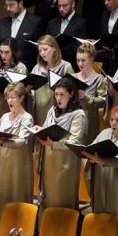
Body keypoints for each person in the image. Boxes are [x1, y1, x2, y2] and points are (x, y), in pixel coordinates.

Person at [35, 78, 87, 210]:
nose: (58, 98)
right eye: (56, 94)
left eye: (62, 94)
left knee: (62, 196)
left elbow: (74, 141)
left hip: (66, 163)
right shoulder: (52, 110)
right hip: (49, 159)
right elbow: (46, 128)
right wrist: (39, 130)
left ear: (71, 94)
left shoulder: (78, 115)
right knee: (49, 195)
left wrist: (53, 144)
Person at [83, 104, 118, 223]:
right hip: (101, 182)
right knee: (100, 216)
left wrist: (100, 160)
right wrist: (91, 159)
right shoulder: (105, 133)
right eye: (111, 119)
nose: (113, 123)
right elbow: (91, 150)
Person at [0, 83, 33, 212]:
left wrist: (2, 141)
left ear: (22, 98)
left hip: (18, 163)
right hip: (4, 162)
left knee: (18, 194)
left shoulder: (27, 118)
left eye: (13, 97)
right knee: (4, 194)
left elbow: (21, 141)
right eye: (7, 97)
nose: (10, 100)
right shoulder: (5, 117)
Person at [28, 35, 74, 125]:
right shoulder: (37, 67)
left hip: (56, 107)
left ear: (54, 48)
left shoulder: (65, 66)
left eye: (45, 49)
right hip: (38, 108)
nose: (42, 53)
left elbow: (70, 89)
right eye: (40, 51)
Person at [0, 0, 44, 71]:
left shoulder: (35, 22)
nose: (8, 9)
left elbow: (39, 49)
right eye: (6, 5)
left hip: (28, 70)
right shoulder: (1, 24)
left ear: (20, 3)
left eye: (11, 5)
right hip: (4, 70)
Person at [73, 43, 107, 144]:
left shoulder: (98, 78)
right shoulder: (73, 77)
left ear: (91, 60)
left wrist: (86, 97)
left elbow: (103, 101)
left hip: (90, 120)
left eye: (83, 60)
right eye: (78, 60)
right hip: (73, 118)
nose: (80, 64)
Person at [46, 0, 88, 66]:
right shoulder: (52, 22)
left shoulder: (82, 23)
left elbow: (79, 47)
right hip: (52, 64)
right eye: (59, 6)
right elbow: (47, 41)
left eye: (64, 6)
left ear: (73, 4)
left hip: (72, 64)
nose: (61, 9)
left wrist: (58, 55)